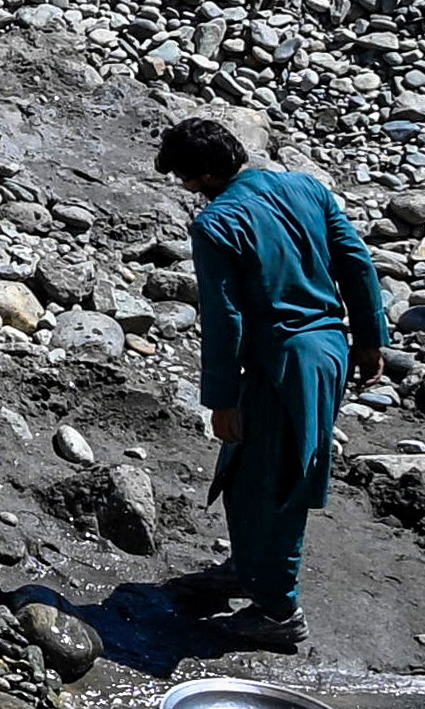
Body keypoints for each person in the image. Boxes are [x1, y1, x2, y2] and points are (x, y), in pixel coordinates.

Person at [164, 113, 390, 653]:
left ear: (200, 177)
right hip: (327, 351)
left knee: (282, 478)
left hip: (286, 363)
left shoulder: (218, 223)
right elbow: (356, 262)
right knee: (247, 469)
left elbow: (225, 319)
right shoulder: (305, 187)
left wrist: (219, 399)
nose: (186, 190)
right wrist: (369, 337)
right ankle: (246, 568)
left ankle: (279, 610)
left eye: (183, 179)